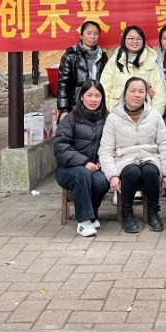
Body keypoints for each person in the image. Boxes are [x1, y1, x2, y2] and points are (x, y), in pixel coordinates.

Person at [99, 77, 166, 234]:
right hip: (124, 160)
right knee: (132, 171)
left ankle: (153, 212)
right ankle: (127, 213)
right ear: (125, 93)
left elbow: (164, 143)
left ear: (146, 94)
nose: (137, 95)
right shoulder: (113, 117)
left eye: (141, 91)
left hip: (150, 157)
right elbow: (105, 150)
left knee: (150, 171)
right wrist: (112, 175)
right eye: (133, 91)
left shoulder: (154, 115)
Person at [54, 80, 111, 238]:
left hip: (95, 167)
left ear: (102, 98)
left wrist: (102, 160)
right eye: (89, 95)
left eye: (97, 95)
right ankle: (83, 221)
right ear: (81, 97)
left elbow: (113, 143)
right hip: (68, 168)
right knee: (82, 174)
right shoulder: (70, 119)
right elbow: (60, 148)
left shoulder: (108, 118)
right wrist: (84, 162)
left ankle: (89, 214)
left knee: (102, 181)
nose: (93, 99)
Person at [101, 25, 166, 114]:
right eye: (131, 38)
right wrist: (107, 114)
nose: (135, 41)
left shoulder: (150, 61)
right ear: (124, 40)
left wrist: (155, 117)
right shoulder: (114, 60)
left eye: (139, 38)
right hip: (116, 114)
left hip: (144, 115)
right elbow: (104, 88)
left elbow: (159, 93)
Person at [57, 21, 108, 121]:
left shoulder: (103, 57)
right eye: (89, 33)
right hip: (76, 107)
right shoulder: (70, 56)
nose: (92, 37)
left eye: (96, 33)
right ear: (81, 35)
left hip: (97, 105)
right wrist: (63, 110)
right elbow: (63, 85)